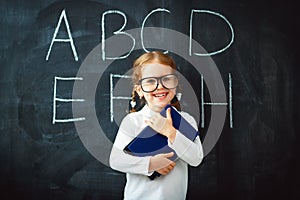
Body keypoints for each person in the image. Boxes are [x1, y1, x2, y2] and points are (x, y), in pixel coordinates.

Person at [109, 51, 203, 200]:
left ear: (176, 84)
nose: (159, 86)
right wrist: (151, 164)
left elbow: (196, 158)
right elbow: (116, 161)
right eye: (150, 81)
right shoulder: (133, 121)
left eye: (167, 79)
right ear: (139, 90)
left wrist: (171, 132)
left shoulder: (186, 121)